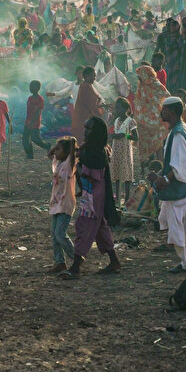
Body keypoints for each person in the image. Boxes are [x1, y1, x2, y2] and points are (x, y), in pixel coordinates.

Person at [62, 116, 120, 278]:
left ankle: (75, 267)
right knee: (100, 228)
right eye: (85, 128)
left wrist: (78, 164)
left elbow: (91, 175)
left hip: (94, 198)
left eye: (89, 129)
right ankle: (114, 261)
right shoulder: (89, 149)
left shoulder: (97, 153)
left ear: (97, 132)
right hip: (91, 196)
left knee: (84, 227)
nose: (85, 131)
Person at [149, 97, 186, 273]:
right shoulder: (180, 129)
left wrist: (164, 180)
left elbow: (181, 166)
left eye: (163, 109)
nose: (160, 112)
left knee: (179, 228)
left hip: (181, 190)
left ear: (170, 112)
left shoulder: (179, 133)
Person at [46, 137, 77, 274]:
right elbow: (50, 154)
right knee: (54, 235)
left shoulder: (69, 165)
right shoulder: (58, 164)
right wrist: (57, 147)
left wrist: (71, 143)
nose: (55, 152)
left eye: (59, 149)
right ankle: (60, 262)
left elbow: (71, 156)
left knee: (60, 234)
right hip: (56, 203)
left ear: (66, 152)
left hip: (65, 203)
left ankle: (76, 258)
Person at [134, 65, 171, 162]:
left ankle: (160, 164)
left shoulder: (156, 84)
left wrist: (156, 103)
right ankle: (144, 167)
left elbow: (167, 96)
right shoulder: (141, 86)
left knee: (157, 143)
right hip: (143, 120)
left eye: (140, 75)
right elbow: (139, 101)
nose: (139, 78)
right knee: (143, 142)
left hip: (156, 119)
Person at [109, 97, 137, 205]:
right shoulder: (116, 121)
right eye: (116, 108)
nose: (117, 111)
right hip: (116, 149)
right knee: (117, 172)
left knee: (127, 172)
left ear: (126, 109)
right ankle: (118, 196)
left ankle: (127, 198)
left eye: (120, 108)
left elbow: (136, 137)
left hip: (125, 149)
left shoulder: (130, 121)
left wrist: (125, 135)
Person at [71, 66, 104, 142]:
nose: (94, 78)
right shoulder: (85, 87)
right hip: (84, 119)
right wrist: (101, 118)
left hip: (86, 118)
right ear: (86, 76)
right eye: (93, 76)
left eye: (95, 76)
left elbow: (93, 102)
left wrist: (103, 105)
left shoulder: (88, 86)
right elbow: (92, 106)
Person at [23, 80, 50, 159]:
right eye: (30, 86)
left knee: (35, 139)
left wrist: (33, 121)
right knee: (25, 139)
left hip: (34, 123)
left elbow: (38, 112)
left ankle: (47, 146)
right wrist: (28, 121)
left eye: (32, 87)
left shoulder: (40, 99)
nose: (30, 88)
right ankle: (29, 154)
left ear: (38, 88)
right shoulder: (30, 98)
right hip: (28, 121)